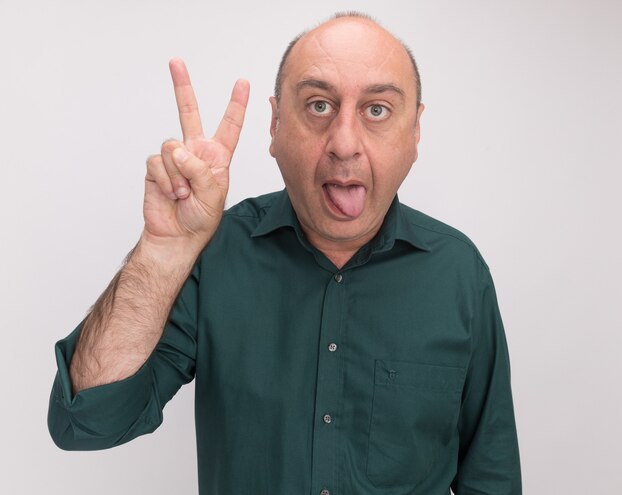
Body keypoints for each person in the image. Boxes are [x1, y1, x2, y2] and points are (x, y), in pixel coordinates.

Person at [48, 12, 522, 495]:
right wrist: (161, 251)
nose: (344, 143)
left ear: (415, 131)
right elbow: (84, 422)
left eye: (376, 110)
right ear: (274, 126)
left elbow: (491, 478)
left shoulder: (459, 273)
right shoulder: (215, 254)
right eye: (318, 105)